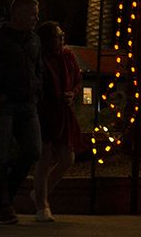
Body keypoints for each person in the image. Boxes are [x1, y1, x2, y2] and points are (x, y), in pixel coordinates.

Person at [0, 0, 43, 225]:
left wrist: (36, 90)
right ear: (18, 14)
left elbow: (38, 67)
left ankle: (6, 197)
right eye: (33, 13)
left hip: (27, 104)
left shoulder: (34, 39)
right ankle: (3, 206)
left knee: (33, 150)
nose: (36, 18)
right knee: (1, 156)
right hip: (2, 105)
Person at [31, 21, 84, 224]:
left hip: (64, 112)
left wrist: (73, 94)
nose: (62, 39)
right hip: (45, 112)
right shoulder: (41, 59)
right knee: (44, 159)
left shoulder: (68, 56)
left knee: (67, 158)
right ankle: (42, 206)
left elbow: (77, 80)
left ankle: (39, 194)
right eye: (57, 36)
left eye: (62, 35)